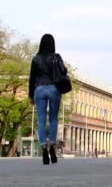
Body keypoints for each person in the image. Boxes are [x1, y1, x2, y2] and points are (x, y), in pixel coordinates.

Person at [29, 34, 65, 165]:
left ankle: (43, 148)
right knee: (54, 119)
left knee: (41, 119)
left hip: (39, 89)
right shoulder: (56, 57)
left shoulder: (35, 59)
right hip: (54, 89)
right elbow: (64, 71)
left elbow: (31, 78)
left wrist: (30, 95)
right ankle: (52, 146)